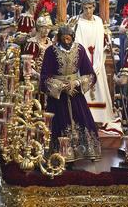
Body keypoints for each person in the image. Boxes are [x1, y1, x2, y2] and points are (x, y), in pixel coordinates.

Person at [40, 25, 101, 161]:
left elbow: (90, 74)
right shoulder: (50, 51)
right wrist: (61, 86)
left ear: (73, 38)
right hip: (58, 97)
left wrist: (77, 82)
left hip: (75, 93)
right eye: (64, 39)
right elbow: (44, 77)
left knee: (82, 120)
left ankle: (86, 151)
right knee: (58, 124)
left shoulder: (79, 50)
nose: (67, 42)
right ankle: (60, 153)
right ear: (59, 38)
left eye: (69, 39)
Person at [74, 0, 120, 133]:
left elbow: (101, 41)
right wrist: (86, 64)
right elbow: (78, 43)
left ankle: (99, 118)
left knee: (99, 89)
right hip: (83, 62)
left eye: (90, 8)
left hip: (98, 61)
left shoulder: (99, 21)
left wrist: (98, 60)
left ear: (94, 7)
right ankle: (84, 118)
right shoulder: (78, 22)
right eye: (85, 8)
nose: (88, 11)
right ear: (82, 8)